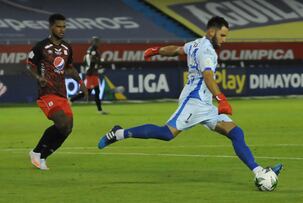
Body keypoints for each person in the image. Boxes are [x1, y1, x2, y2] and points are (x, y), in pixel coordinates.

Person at [97, 16, 283, 181]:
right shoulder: (206, 51)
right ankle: (118, 133)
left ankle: (259, 172)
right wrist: (221, 99)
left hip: (205, 103)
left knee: (236, 133)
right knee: (166, 134)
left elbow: (177, 50)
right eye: (223, 35)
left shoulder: (196, 44)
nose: (224, 40)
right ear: (212, 31)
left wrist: (157, 50)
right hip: (194, 101)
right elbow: (208, 76)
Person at [27, 13, 88, 170]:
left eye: (64, 26)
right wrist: (38, 77)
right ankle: (36, 152)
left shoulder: (67, 47)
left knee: (67, 128)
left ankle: (42, 156)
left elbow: (69, 67)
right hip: (46, 92)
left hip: (62, 93)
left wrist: (80, 81)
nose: (62, 29)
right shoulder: (41, 47)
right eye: (59, 26)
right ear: (51, 27)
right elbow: (29, 65)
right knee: (61, 122)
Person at [70, 36, 107, 114]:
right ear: (94, 42)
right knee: (88, 92)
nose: (98, 43)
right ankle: (70, 100)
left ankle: (100, 110)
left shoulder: (90, 50)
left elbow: (85, 61)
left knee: (96, 91)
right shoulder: (93, 50)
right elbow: (93, 62)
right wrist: (97, 68)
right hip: (91, 74)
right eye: (97, 41)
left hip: (92, 73)